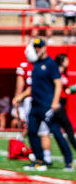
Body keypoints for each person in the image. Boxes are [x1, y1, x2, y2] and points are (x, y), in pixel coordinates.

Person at [17, 41, 74, 171]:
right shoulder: (36, 64)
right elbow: (33, 86)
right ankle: (39, 160)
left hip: (47, 105)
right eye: (35, 47)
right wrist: (20, 97)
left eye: (39, 47)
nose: (37, 50)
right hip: (35, 105)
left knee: (56, 132)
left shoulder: (51, 64)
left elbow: (58, 84)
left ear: (44, 48)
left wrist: (55, 102)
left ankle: (69, 161)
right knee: (32, 132)